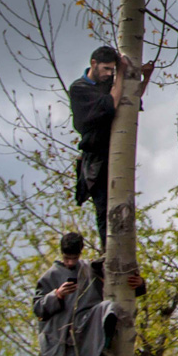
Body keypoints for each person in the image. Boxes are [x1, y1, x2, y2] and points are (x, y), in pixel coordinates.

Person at [33, 232, 146, 356]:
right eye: (67, 258)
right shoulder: (50, 276)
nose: (70, 263)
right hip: (62, 340)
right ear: (62, 254)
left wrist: (140, 284)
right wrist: (57, 295)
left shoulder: (89, 270)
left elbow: (121, 285)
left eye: (74, 258)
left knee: (109, 308)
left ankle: (102, 351)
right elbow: (38, 309)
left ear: (80, 253)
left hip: (89, 330)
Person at [69, 46, 154, 248]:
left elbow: (129, 101)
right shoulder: (80, 88)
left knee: (122, 205)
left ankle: (122, 249)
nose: (108, 74)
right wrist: (122, 74)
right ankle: (107, 252)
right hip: (95, 158)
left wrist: (145, 78)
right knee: (103, 207)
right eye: (106, 69)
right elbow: (112, 103)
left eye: (112, 70)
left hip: (115, 153)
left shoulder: (110, 83)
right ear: (93, 64)